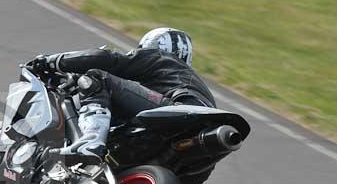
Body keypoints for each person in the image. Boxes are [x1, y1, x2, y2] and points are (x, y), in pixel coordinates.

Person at [30, 27, 216, 163]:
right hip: (198, 147)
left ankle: (91, 140)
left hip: (178, 111)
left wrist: (52, 61)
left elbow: (108, 60)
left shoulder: (160, 58)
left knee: (98, 78)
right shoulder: (190, 83)